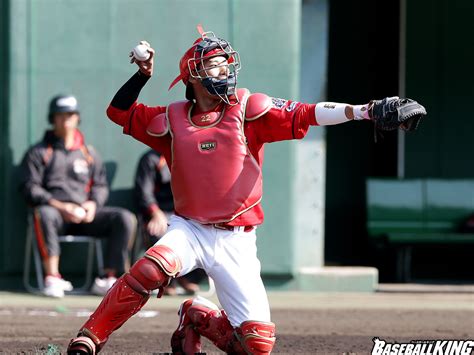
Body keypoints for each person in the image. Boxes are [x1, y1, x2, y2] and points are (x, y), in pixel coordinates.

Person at [66, 29, 419, 354]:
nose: (224, 71)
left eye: (225, 64)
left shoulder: (249, 109)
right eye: (214, 65)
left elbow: (309, 113)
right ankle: (89, 337)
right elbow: (118, 112)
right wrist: (142, 75)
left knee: (257, 345)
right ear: (193, 77)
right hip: (189, 229)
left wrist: (365, 111)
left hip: (237, 240)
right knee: (150, 270)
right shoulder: (171, 119)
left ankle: (197, 315)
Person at [19, 94, 136, 298]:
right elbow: (30, 187)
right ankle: (52, 278)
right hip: (55, 215)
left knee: (124, 218)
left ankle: (108, 277)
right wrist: (61, 207)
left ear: (77, 118)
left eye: (70, 115)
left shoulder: (88, 153)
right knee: (43, 214)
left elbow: (100, 185)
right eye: (60, 115)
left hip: (85, 217)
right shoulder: (39, 152)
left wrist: (92, 204)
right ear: (52, 119)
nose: (66, 120)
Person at [134, 149, 202, 295]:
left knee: (205, 234)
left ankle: (187, 278)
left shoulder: (190, 156)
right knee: (161, 232)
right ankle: (167, 280)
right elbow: (144, 192)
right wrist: (155, 213)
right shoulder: (151, 158)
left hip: (184, 213)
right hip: (159, 214)